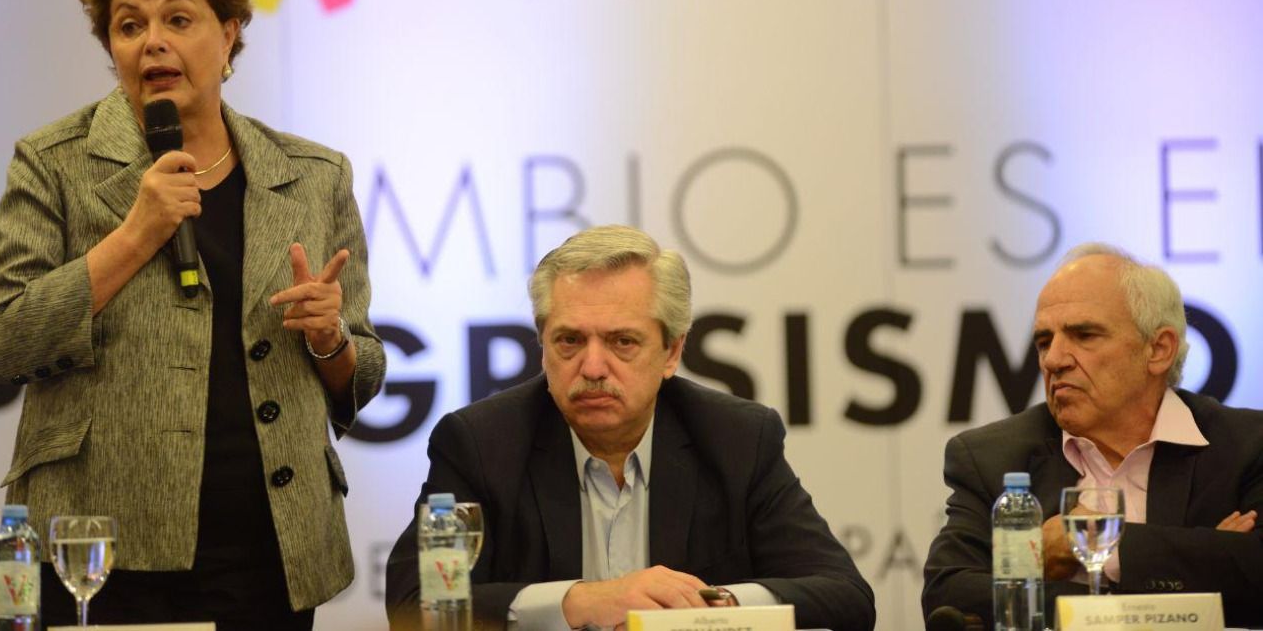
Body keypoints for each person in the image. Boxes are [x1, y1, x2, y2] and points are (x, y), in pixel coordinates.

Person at [0, 0, 385, 628]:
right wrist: (136, 233)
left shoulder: (313, 175)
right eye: (130, 26)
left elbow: (362, 372)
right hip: (99, 552)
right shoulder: (54, 163)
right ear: (110, 46)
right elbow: (8, 340)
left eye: (178, 20)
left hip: (267, 546)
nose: (153, 43)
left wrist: (330, 339)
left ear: (228, 34)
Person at [385, 225, 875, 631]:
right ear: (542, 345)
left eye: (622, 342)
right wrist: (579, 602)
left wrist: (705, 607)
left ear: (672, 352)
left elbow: (845, 596)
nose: (593, 366)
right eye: (570, 341)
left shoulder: (736, 439)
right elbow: (419, 602)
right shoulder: (480, 443)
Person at [921, 243, 1263, 628]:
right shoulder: (991, 457)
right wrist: (1202, 560)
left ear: (1158, 350)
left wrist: (1093, 542)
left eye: (1083, 335)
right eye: (1044, 341)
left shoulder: (1248, 446)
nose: (1053, 360)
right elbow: (948, 593)